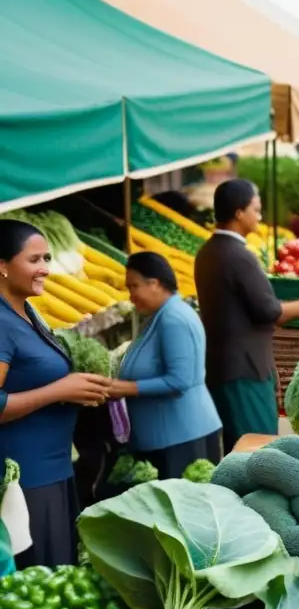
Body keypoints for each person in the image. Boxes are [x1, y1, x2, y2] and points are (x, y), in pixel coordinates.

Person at [0, 220, 110, 567]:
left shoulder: (27, 309)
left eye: (47, 258)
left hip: (55, 469)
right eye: (34, 260)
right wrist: (59, 389)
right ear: (2, 266)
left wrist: (74, 390)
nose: (45, 268)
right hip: (27, 478)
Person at [195, 179, 299, 450]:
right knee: (258, 448)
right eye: (256, 210)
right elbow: (268, 310)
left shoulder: (207, 251)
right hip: (245, 369)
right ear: (239, 213)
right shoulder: (237, 255)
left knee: (238, 446)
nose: (259, 216)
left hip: (221, 365)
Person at [110, 252, 222, 477]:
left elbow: (179, 381)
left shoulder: (173, 319)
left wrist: (125, 388)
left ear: (155, 284)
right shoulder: (163, 315)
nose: (131, 296)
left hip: (181, 440)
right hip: (172, 437)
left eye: (134, 286)